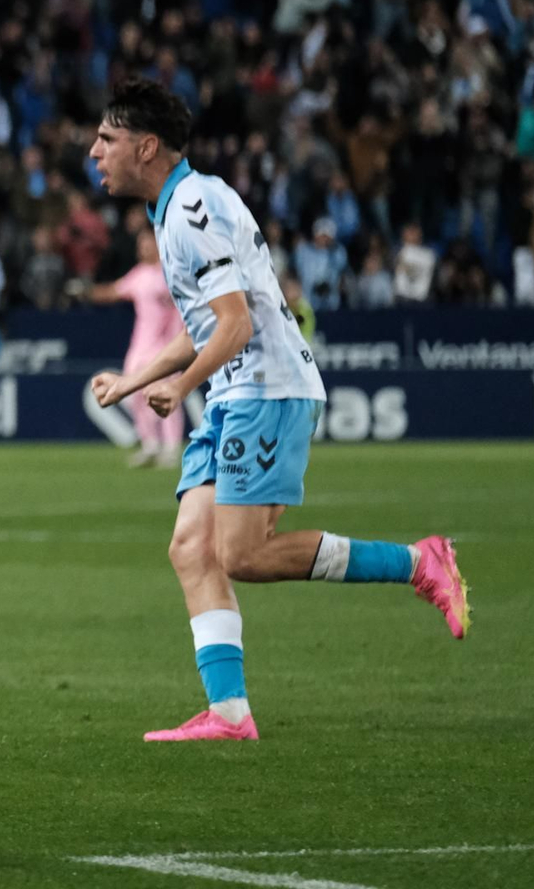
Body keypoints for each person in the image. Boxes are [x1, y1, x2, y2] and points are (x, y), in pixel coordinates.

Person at [85, 78, 469, 744]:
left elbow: (232, 325)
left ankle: (420, 560)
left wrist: (178, 388)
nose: (95, 150)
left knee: (242, 554)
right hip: (237, 392)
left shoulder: (193, 205)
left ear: (146, 147)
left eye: (108, 138)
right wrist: (136, 379)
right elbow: (207, 325)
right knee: (190, 546)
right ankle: (230, 713)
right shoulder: (176, 206)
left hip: (268, 388)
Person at [74, 227, 185, 469]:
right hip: (140, 346)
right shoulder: (139, 275)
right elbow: (114, 291)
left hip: (167, 346)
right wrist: (84, 292)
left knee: (165, 393)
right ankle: (150, 444)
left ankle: (171, 447)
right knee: (135, 396)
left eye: (147, 243)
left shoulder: (173, 272)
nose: (142, 248)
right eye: (141, 244)